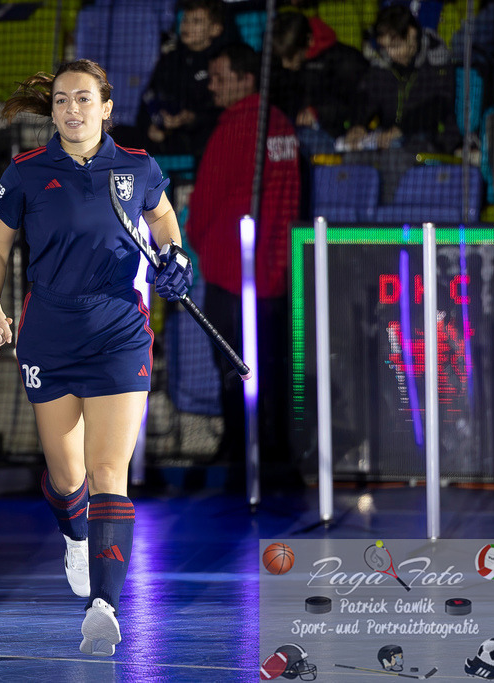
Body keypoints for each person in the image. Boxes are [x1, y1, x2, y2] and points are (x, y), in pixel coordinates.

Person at [0, 59, 192, 657]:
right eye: (60, 102)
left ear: (106, 107)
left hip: (120, 332)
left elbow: (165, 223)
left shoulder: (138, 167)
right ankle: (75, 537)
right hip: (48, 334)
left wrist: (178, 258)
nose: (71, 110)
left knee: (107, 473)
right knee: (67, 478)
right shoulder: (25, 172)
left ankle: (103, 606)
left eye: (82, 99)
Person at [185, 43, 300, 475]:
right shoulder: (281, 126)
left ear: (246, 78)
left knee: (233, 368)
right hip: (273, 271)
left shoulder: (236, 128)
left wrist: (201, 240)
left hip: (233, 273)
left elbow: (207, 199)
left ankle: (239, 451)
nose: (211, 86)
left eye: (219, 76)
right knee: (271, 367)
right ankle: (275, 453)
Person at [346, 4, 460, 154]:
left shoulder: (436, 59)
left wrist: (401, 129)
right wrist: (358, 124)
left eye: (395, 46)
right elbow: (367, 94)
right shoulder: (383, 61)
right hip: (388, 139)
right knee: (352, 158)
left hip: (432, 139)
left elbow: (439, 105)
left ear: (411, 34)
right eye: (385, 47)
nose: (390, 53)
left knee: (395, 158)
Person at [125, 0, 231, 158]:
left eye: (196, 21)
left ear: (215, 29)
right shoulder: (170, 60)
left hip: (201, 141)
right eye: (186, 19)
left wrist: (192, 118)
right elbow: (148, 98)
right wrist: (151, 126)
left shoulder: (221, 63)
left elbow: (223, 110)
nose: (187, 26)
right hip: (163, 137)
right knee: (118, 135)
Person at [269, 11, 369, 156]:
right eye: (281, 57)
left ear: (309, 40)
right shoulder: (281, 67)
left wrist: (317, 113)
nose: (285, 64)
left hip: (336, 137)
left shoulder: (346, 61)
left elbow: (360, 104)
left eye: (290, 56)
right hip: (294, 131)